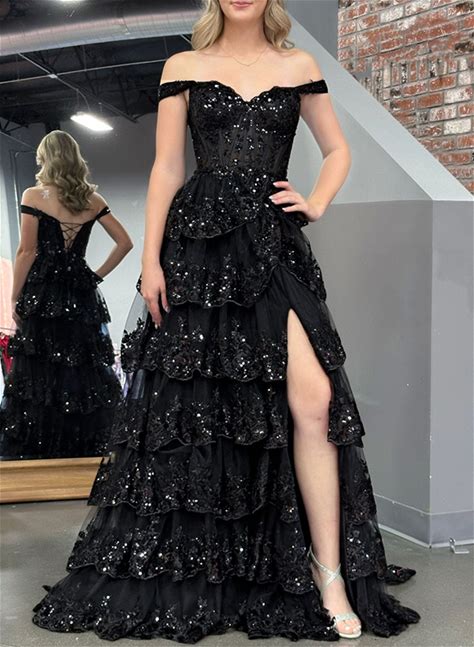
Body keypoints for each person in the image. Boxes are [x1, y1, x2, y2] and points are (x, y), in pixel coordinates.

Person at [31, 0, 420, 641]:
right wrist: (149, 259)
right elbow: (167, 167)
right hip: (198, 247)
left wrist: (317, 201)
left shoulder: (298, 65)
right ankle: (215, 560)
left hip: (270, 243)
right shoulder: (183, 64)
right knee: (199, 406)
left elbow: (338, 149)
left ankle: (328, 573)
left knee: (314, 400)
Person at [0, 130, 133, 459]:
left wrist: (14, 296)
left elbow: (27, 251)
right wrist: (95, 276)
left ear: (45, 158)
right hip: (80, 292)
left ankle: (42, 449)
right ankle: (81, 447)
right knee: (80, 368)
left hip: (44, 293)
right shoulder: (93, 200)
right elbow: (125, 243)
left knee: (41, 369)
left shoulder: (34, 195)